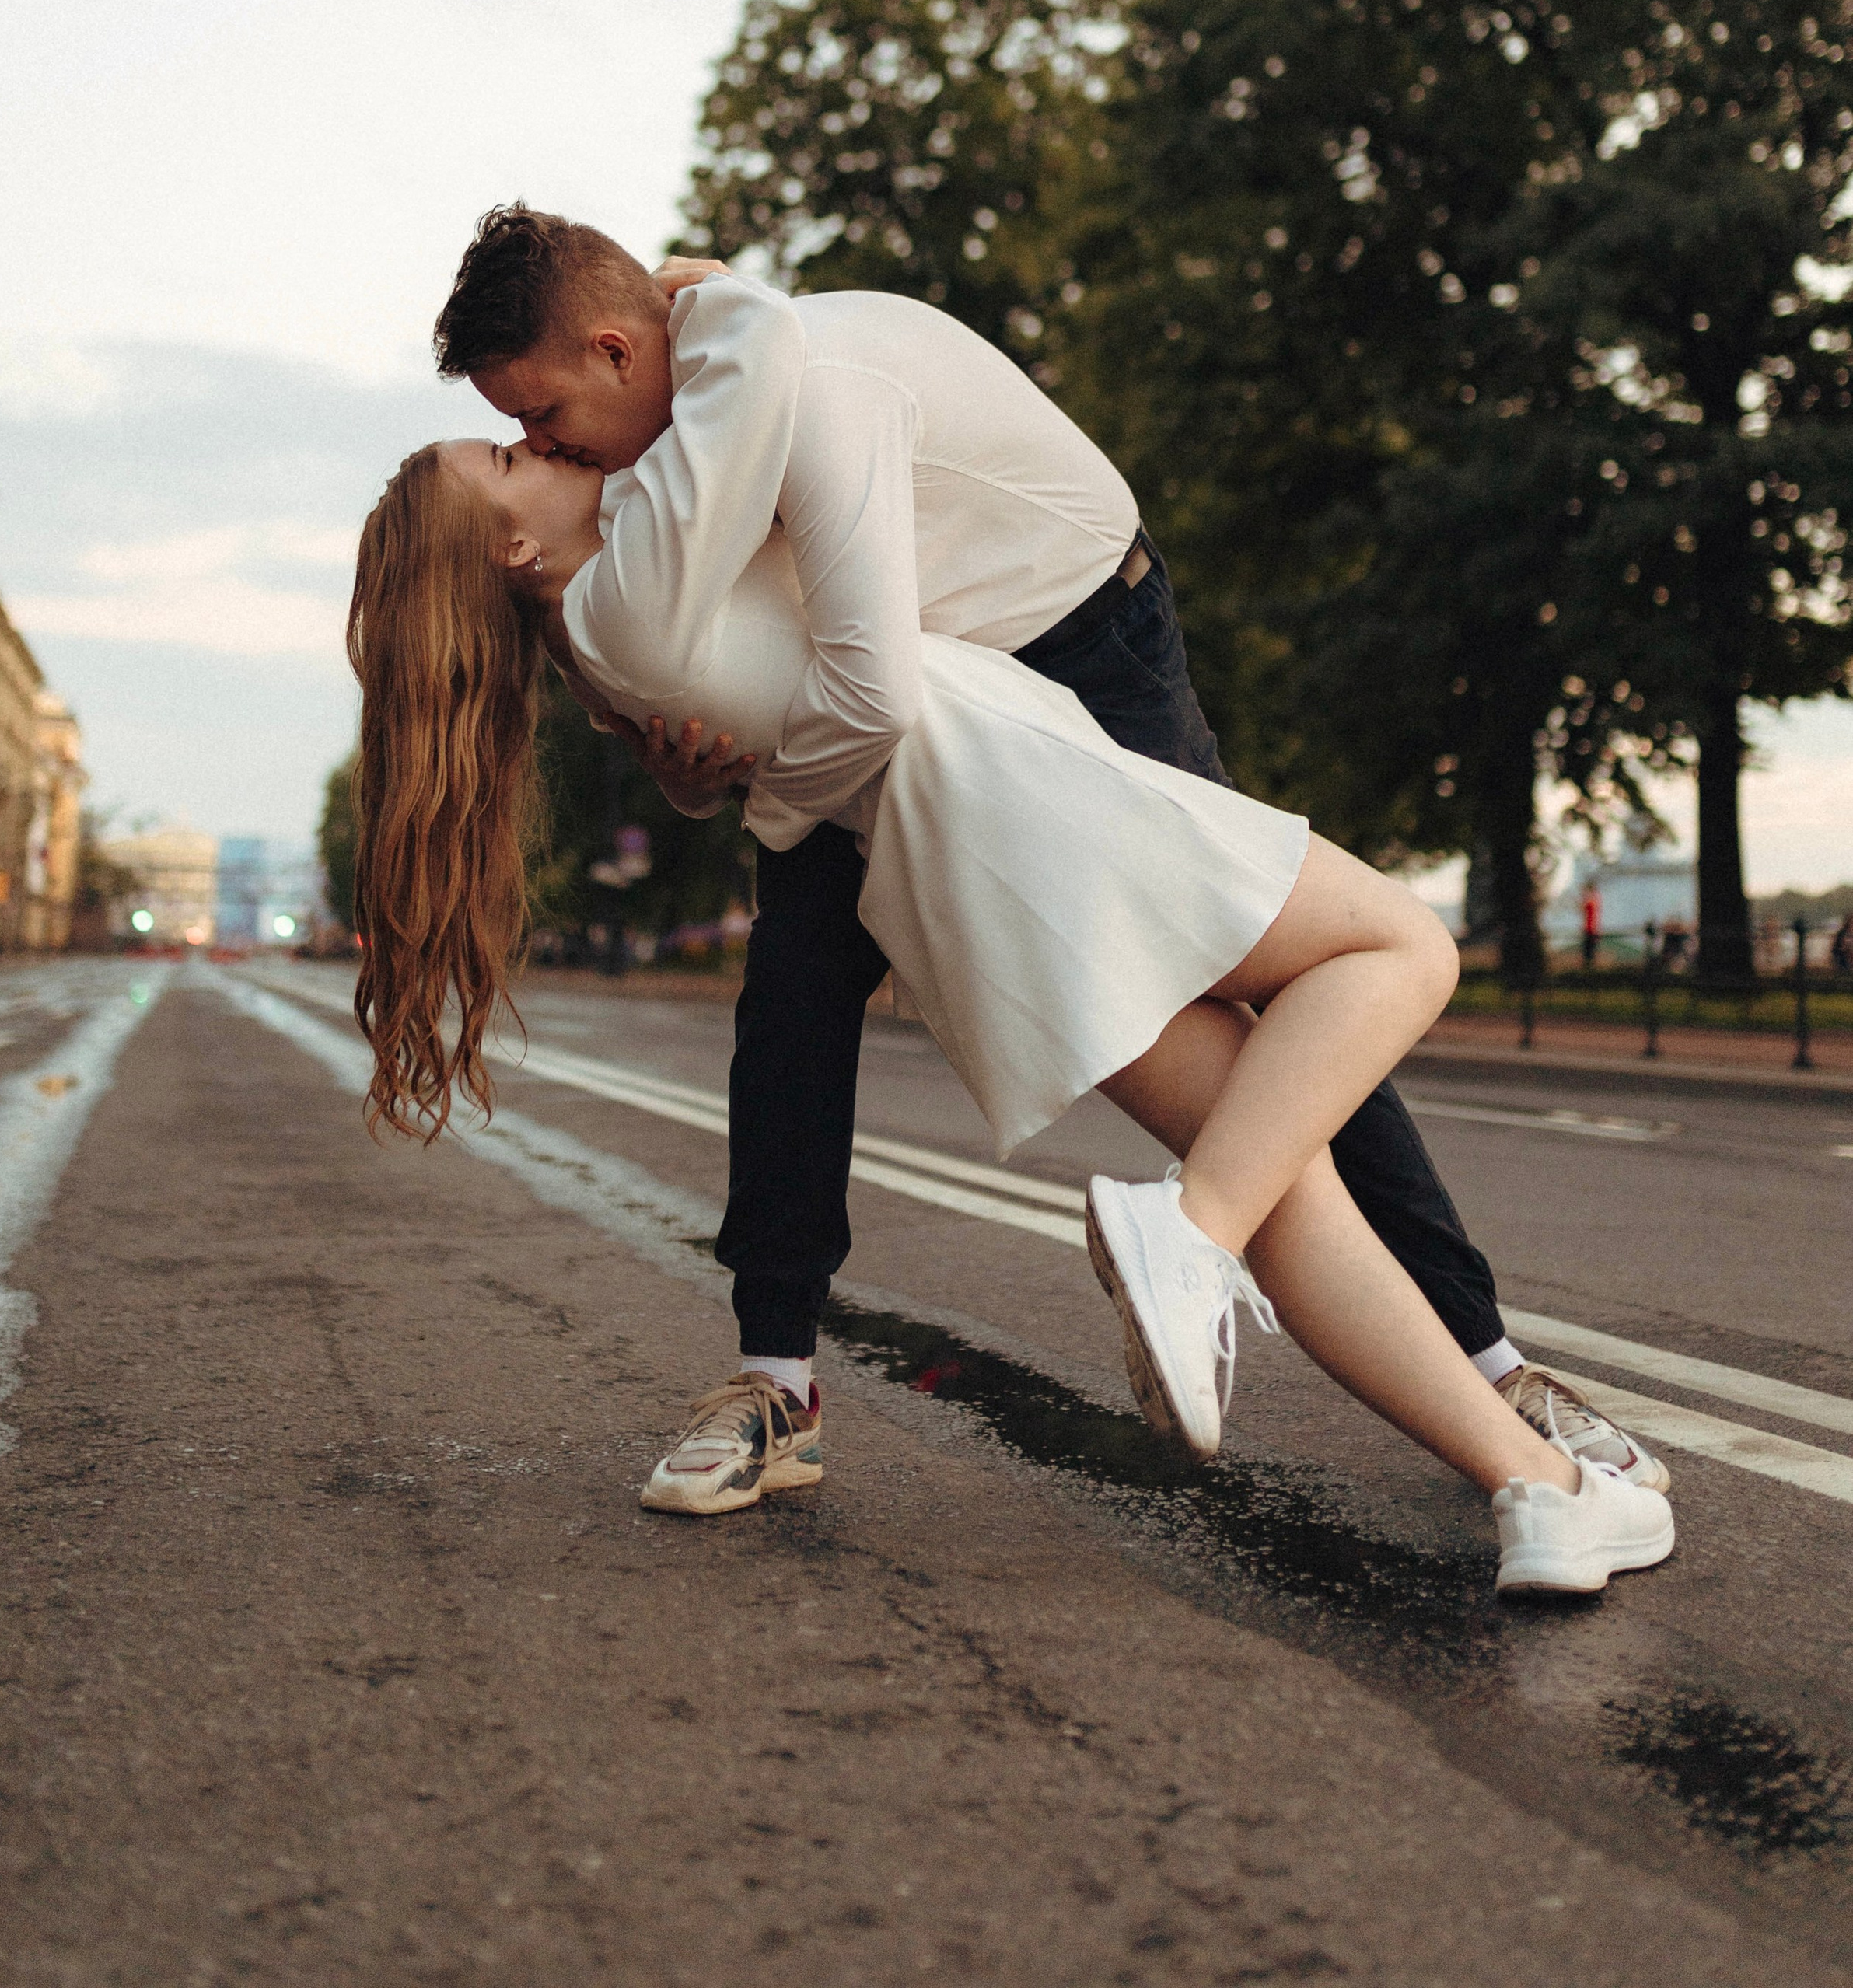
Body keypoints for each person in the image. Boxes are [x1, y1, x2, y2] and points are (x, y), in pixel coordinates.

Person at [427, 210, 1666, 1504]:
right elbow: (690, 666)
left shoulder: (803, 385)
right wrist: (691, 776)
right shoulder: (640, 461)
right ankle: (775, 1376)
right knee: (791, 996)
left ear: (622, 349)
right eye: (522, 435)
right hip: (897, 704)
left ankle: (1489, 1356)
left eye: (548, 413)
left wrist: (767, 798)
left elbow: (842, 678)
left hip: (1070, 635)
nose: (544, 445)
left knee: (1270, 989)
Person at [345, 480, 1674, 1603]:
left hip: (955, 889)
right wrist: (698, 295)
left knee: (1283, 1173)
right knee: (1403, 953)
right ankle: (1194, 1233)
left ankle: (1541, 1494)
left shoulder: (597, 638)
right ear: (515, 548)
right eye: (513, 448)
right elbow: (763, 358)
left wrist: (699, 770)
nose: (551, 440)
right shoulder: (653, 551)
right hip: (1021, 785)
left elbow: (730, 735)